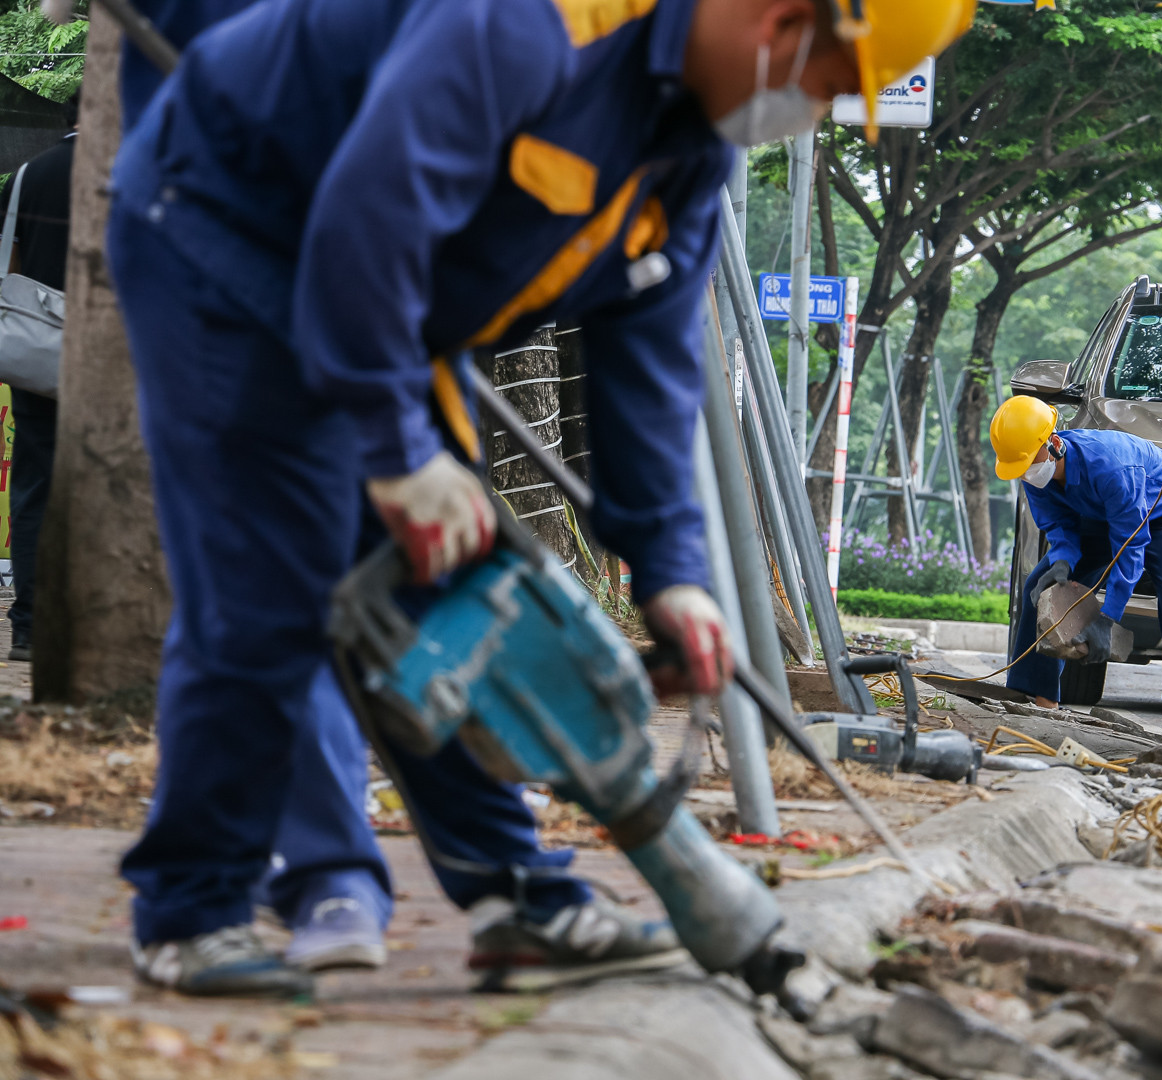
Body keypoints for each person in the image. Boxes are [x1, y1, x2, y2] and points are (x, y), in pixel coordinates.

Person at [105, 0, 974, 998]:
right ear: (777, 18)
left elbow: (647, 367)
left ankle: (520, 902)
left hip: (382, 305)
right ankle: (191, 909)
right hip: (227, 233)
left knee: (460, 605)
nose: (813, 113)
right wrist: (397, 453)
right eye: (826, 84)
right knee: (267, 585)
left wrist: (674, 576)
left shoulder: (689, 149)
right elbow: (371, 215)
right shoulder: (530, 25)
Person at [992, 395, 1162, 739]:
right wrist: (1063, 561)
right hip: (1101, 516)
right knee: (1039, 582)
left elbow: (1131, 543)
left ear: (1054, 444)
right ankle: (1042, 700)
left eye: (1029, 461)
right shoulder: (1034, 475)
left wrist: (1109, 617)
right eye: (1020, 466)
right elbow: (1059, 526)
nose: (1027, 472)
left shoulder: (1110, 466)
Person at [0, 108, 74, 663]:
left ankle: (28, 625)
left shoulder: (30, 174)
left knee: (34, 490)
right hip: (123, 358)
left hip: (39, 358)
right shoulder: (139, 171)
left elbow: (11, 261)